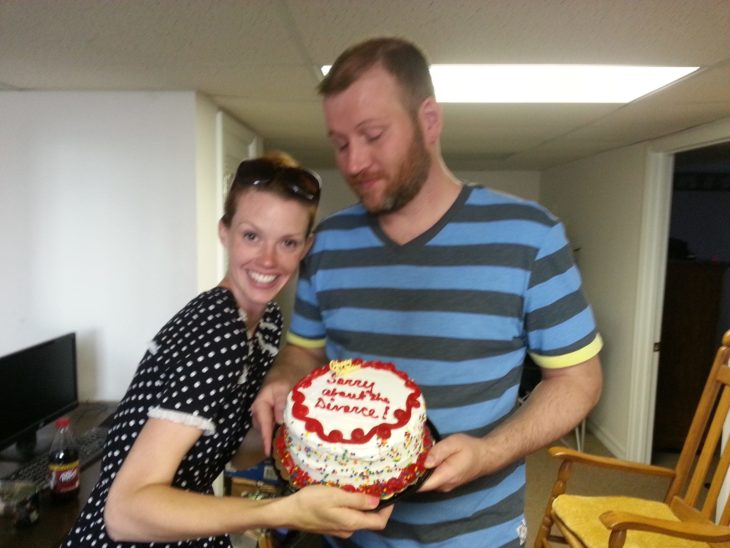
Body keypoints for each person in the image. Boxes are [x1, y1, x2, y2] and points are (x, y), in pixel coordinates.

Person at [251, 38, 603, 547]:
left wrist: (491, 452)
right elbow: (304, 350)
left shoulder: (529, 235)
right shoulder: (326, 242)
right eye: (340, 142)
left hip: (476, 535)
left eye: (372, 134)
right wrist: (283, 379)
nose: (353, 161)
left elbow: (578, 380)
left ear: (429, 120)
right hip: (347, 533)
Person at [62, 153, 393, 547]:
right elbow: (125, 512)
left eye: (287, 242)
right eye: (251, 236)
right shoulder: (219, 328)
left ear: (306, 248)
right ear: (225, 232)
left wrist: (310, 432)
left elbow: (238, 454)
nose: (267, 260)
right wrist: (287, 510)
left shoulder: (266, 322)